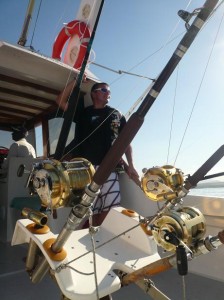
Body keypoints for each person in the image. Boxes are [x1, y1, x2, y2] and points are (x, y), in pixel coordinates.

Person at [56, 81, 139, 226]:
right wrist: (76, 81)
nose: (108, 93)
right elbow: (60, 101)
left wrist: (131, 165)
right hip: (85, 170)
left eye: (109, 91)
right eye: (104, 90)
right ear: (94, 94)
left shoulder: (116, 114)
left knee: (112, 208)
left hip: (109, 168)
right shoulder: (82, 114)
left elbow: (126, 141)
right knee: (86, 209)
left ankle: (96, 233)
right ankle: (85, 236)